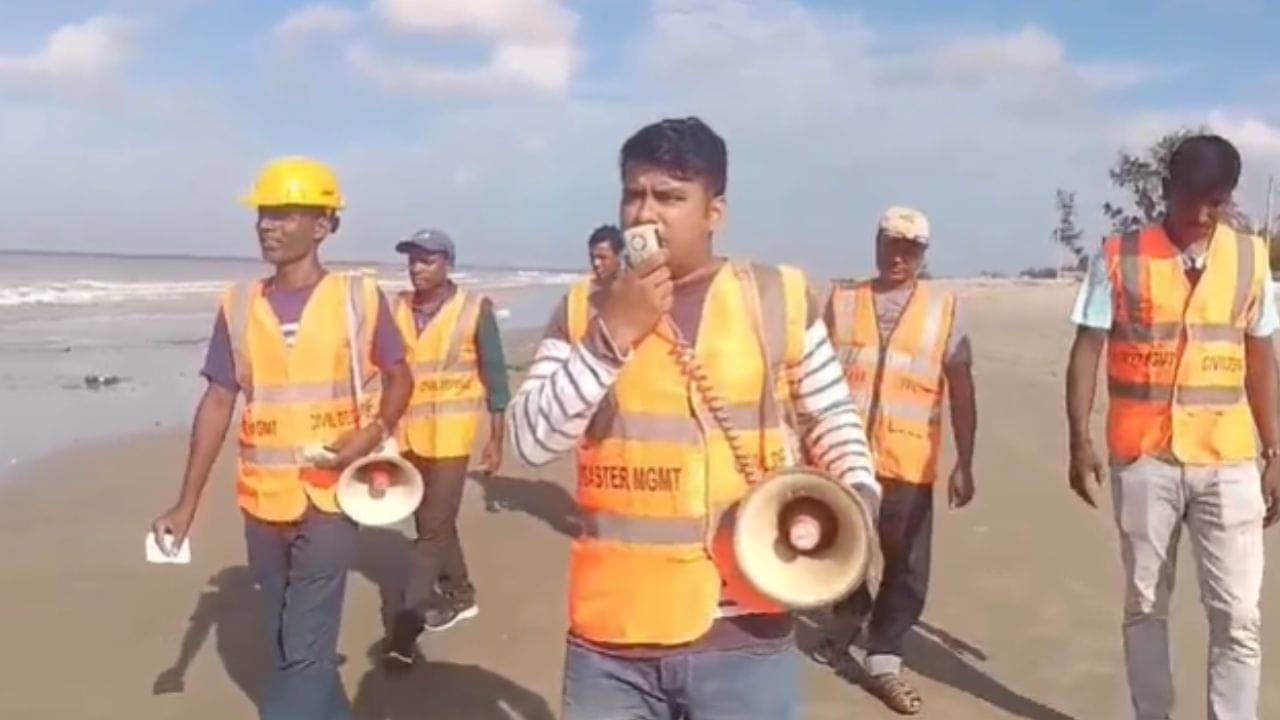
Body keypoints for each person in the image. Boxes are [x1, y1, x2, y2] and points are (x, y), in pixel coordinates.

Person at [509, 116, 880, 719]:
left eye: (670, 196)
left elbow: (831, 418)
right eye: (634, 193)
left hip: (746, 631)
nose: (645, 214)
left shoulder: (776, 297)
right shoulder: (585, 308)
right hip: (613, 638)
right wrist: (612, 337)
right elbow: (529, 440)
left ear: (715, 212)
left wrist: (858, 503)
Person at [150, 156, 413, 720]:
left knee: (305, 651)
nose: (268, 225)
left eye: (285, 214)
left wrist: (371, 433)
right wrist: (186, 503)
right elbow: (219, 399)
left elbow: (399, 377)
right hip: (262, 500)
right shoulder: (239, 304)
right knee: (284, 639)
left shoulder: (359, 299)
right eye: (264, 214)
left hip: (329, 498)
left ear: (323, 225)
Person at [1066, 134, 1280, 720]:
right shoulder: (1120, 254)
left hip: (1229, 458)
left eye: (1217, 201)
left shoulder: (1251, 257)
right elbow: (1087, 347)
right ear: (1166, 190)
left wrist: (1275, 449)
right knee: (1144, 605)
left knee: (1238, 614)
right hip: (1144, 459)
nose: (1204, 214)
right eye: (1195, 199)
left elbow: (1262, 356)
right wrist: (1078, 438)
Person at [822, 206, 977, 715]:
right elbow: (811, 377)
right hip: (844, 457)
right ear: (877, 242)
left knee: (907, 567)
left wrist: (965, 461)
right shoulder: (841, 303)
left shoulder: (944, 309)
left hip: (908, 459)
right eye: (892, 244)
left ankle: (883, 652)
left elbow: (962, 388)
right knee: (836, 549)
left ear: (923, 255)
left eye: (911, 249)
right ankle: (851, 612)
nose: (899, 256)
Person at [382, 228, 510, 669]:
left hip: (454, 437)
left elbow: (495, 375)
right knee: (432, 518)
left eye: (428, 260)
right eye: (413, 260)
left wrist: (497, 438)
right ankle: (460, 592)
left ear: (447, 264)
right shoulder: (395, 308)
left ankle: (404, 627)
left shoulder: (473, 310)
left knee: (431, 531)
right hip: (409, 435)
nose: (418, 268)